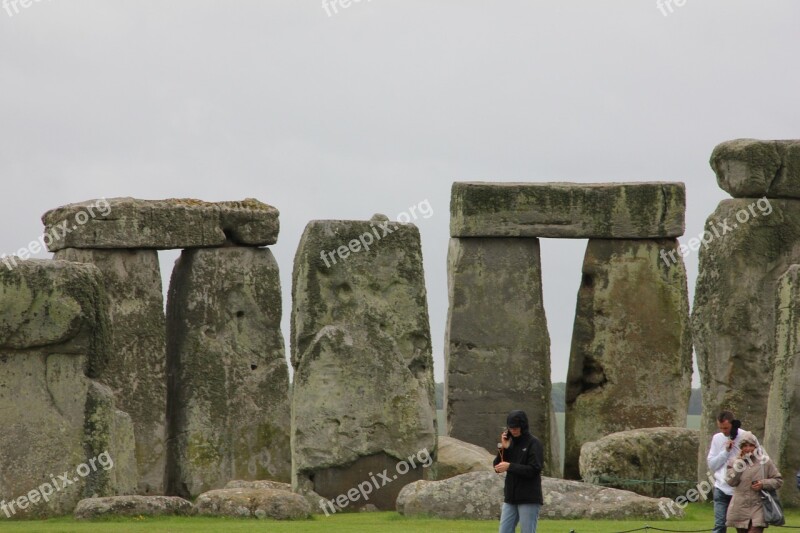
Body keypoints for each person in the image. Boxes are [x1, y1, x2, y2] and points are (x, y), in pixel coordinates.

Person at [493, 410, 544, 533]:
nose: (513, 430)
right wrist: (504, 448)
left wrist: (510, 466)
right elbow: (497, 466)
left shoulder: (534, 443)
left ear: (523, 426)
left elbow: (534, 469)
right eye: (511, 428)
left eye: (516, 428)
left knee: (527, 531)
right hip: (511, 497)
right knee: (504, 531)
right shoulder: (511, 443)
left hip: (528, 497)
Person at [708, 411, 755, 533]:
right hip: (721, 488)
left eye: (726, 428)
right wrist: (725, 452)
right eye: (721, 428)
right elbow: (712, 464)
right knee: (719, 525)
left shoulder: (746, 436)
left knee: (742, 526)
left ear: (733, 424)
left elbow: (758, 459)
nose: (724, 431)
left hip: (740, 490)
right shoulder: (717, 438)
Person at [725, 431, 782, 533]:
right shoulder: (733, 461)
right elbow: (730, 482)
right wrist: (739, 464)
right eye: (745, 446)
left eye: (751, 445)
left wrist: (763, 484)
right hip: (740, 507)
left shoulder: (765, 461)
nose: (748, 449)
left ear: (756, 446)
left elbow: (778, 480)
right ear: (741, 447)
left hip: (759, 506)